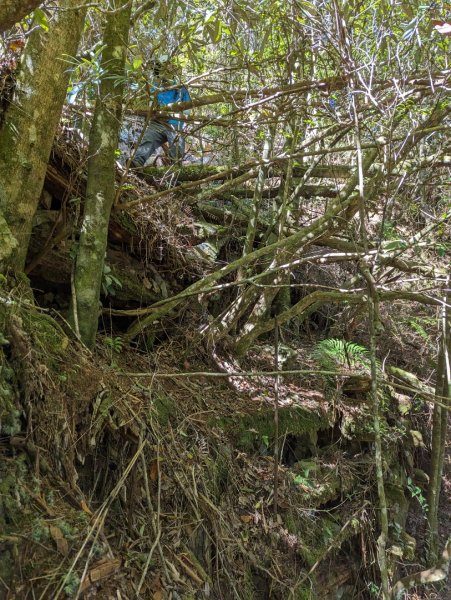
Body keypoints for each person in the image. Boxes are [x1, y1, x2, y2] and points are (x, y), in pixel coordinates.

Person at [131, 60, 191, 167]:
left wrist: (180, 117)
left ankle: (174, 172)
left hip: (174, 124)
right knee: (147, 141)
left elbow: (187, 109)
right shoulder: (156, 85)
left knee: (176, 150)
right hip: (157, 122)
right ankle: (136, 165)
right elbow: (149, 104)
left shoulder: (182, 88)